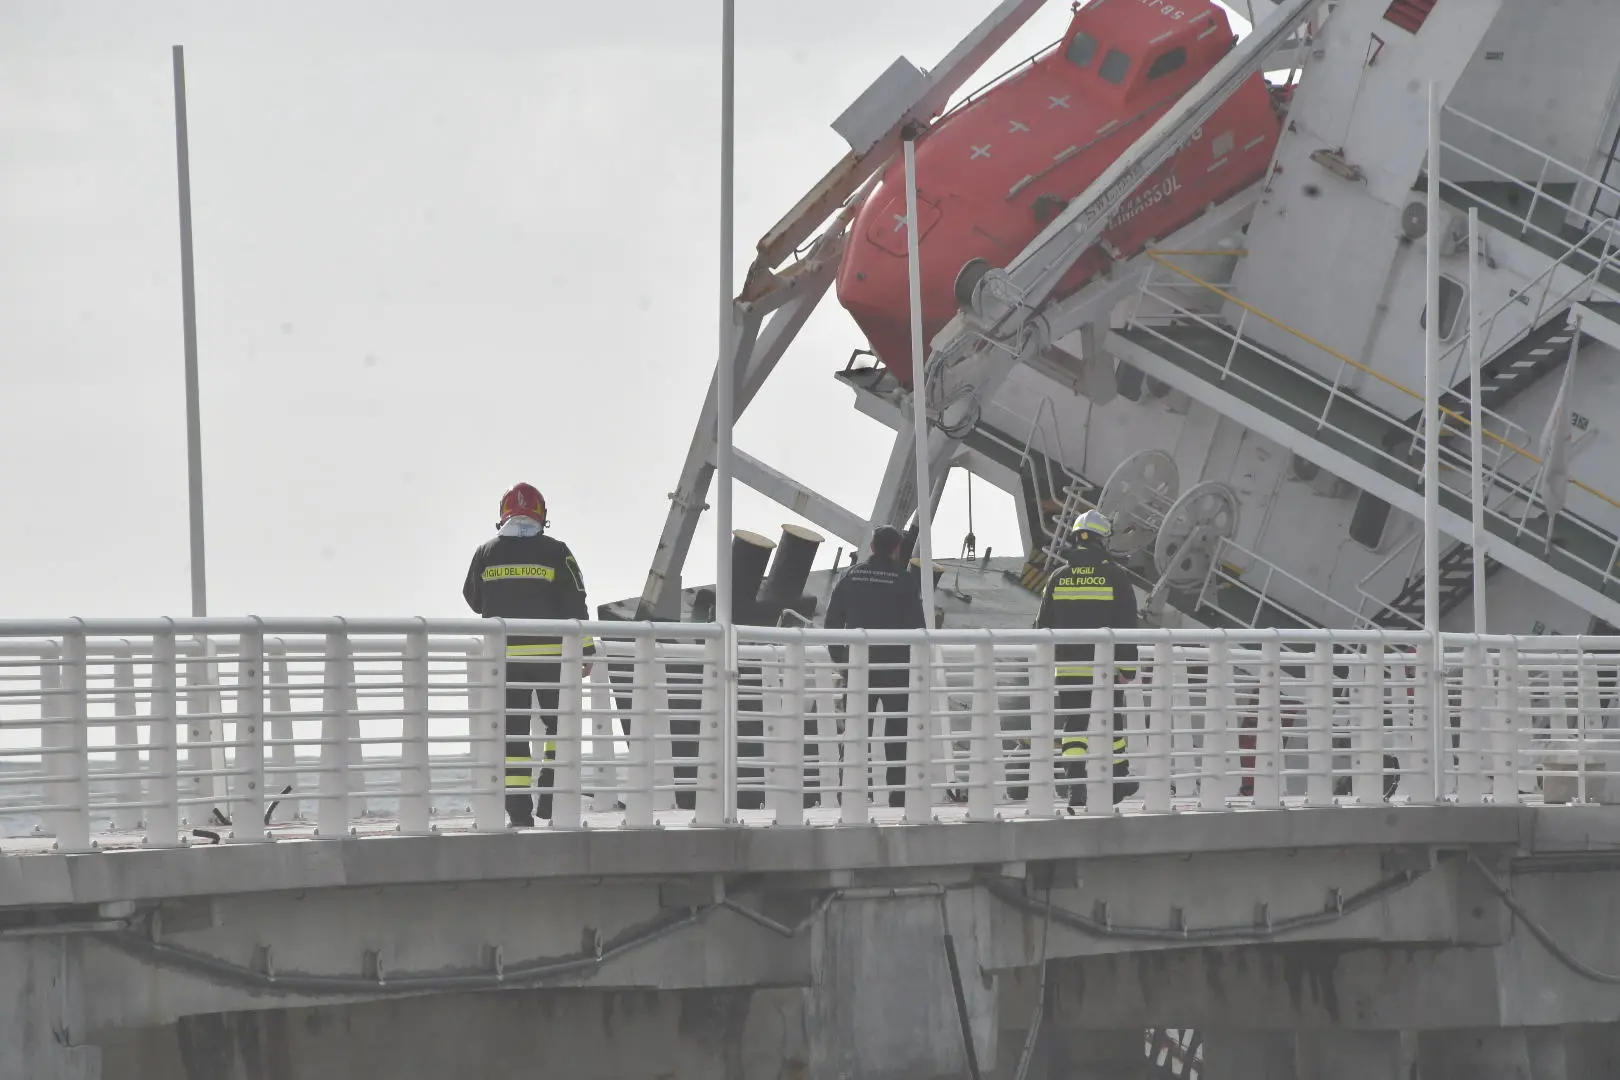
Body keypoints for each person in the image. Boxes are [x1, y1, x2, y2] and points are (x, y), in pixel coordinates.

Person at [462, 483, 594, 827]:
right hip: (553, 660)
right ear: (542, 516)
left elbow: (473, 598)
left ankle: (519, 814)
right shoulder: (557, 552)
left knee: (512, 735)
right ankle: (549, 799)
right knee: (558, 729)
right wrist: (587, 649)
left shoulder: (485, 553)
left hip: (504, 661)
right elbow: (576, 601)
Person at [1035, 508, 1140, 810]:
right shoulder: (1115, 577)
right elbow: (1126, 626)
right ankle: (1119, 779)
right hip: (1104, 671)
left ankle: (1075, 790)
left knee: (1074, 728)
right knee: (1111, 723)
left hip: (1068, 669)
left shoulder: (1058, 576)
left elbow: (1042, 626)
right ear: (1102, 541)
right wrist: (1127, 668)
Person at [824, 525, 928, 808]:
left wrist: (843, 664)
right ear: (896, 549)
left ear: (871, 547)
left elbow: (831, 625)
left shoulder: (851, 576)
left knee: (856, 732)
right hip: (895, 670)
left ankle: (851, 793)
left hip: (858, 670)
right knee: (896, 734)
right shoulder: (904, 580)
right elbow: (918, 628)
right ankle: (898, 796)